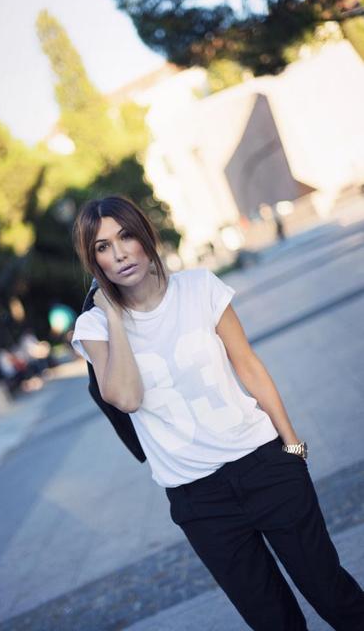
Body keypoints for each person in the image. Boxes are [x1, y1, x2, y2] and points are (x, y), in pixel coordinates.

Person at [71, 194, 364, 631]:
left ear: (145, 236)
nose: (119, 254)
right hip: (199, 501)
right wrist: (114, 317)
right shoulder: (94, 328)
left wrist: (292, 447)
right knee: (273, 621)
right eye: (103, 247)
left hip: (264, 465)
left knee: (332, 595)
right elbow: (126, 398)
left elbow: (248, 365)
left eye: (126, 236)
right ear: (94, 261)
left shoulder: (199, 288)